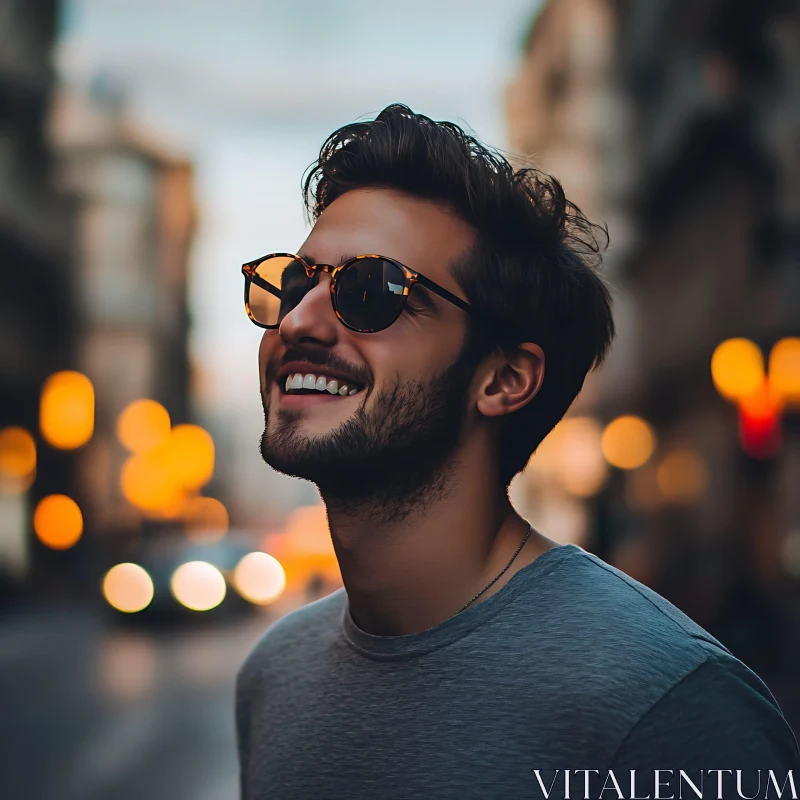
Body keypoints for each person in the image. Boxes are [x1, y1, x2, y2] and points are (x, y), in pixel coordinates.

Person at [235, 104, 800, 799]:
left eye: (371, 289)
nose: (297, 322)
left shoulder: (666, 703)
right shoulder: (274, 676)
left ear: (503, 379)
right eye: (296, 284)